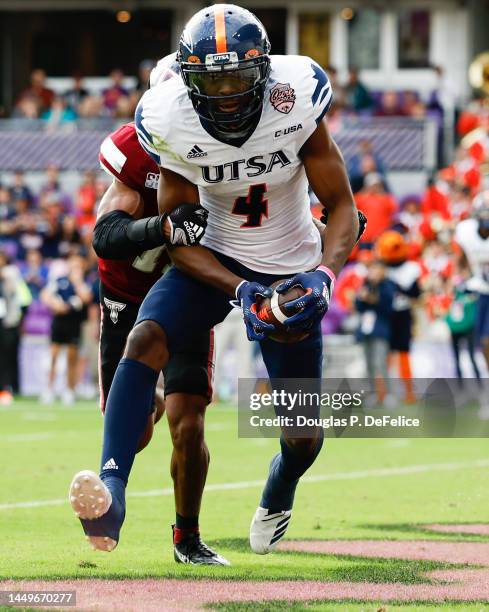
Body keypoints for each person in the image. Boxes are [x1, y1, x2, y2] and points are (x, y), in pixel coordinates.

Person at [69, 4, 359, 560]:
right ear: (187, 80)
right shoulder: (169, 118)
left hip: (289, 261)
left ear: (265, 73)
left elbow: (343, 205)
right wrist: (239, 290)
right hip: (213, 260)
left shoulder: (295, 97)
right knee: (145, 338)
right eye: (211, 80)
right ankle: (113, 491)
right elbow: (181, 239)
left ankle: (281, 484)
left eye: (237, 77)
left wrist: (323, 274)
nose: (226, 94)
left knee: (302, 436)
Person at [71, 104, 228, 562]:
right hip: (126, 295)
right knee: (137, 427)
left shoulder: (223, 152)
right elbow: (104, 235)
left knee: (189, 420)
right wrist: (162, 226)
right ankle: (112, 493)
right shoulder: (135, 153)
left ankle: (188, 537)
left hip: (185, 291)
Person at [40, 254, 93, 405]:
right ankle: (49, 389)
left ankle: (69, 390)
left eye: (78, 266)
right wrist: (56, 304)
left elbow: (86, 298)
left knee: (72, 357)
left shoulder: (84, 283)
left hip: (74, 323)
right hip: (59, 322)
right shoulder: (59, 280)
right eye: (73, 265)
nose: (75, 268)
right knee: (53, 356)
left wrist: (77, 282)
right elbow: (45, 295)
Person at [454, 192, 489, 415]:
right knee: (482, 343)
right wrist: (461, 279)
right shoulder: (466, 232)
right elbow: (461, 260)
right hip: (482, 293)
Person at [355, 259, 395, 406]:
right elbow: (358, 306)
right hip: (366, 330)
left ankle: (388, 395)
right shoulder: (366, 285)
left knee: (381, 363)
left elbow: (388, 306)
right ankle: (373, 394)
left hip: (380, 330)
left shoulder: (387, 286)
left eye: (377, 270)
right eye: (372, 270)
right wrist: (361, 297)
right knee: (369, 364)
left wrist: (370, 299)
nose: (374, 273)